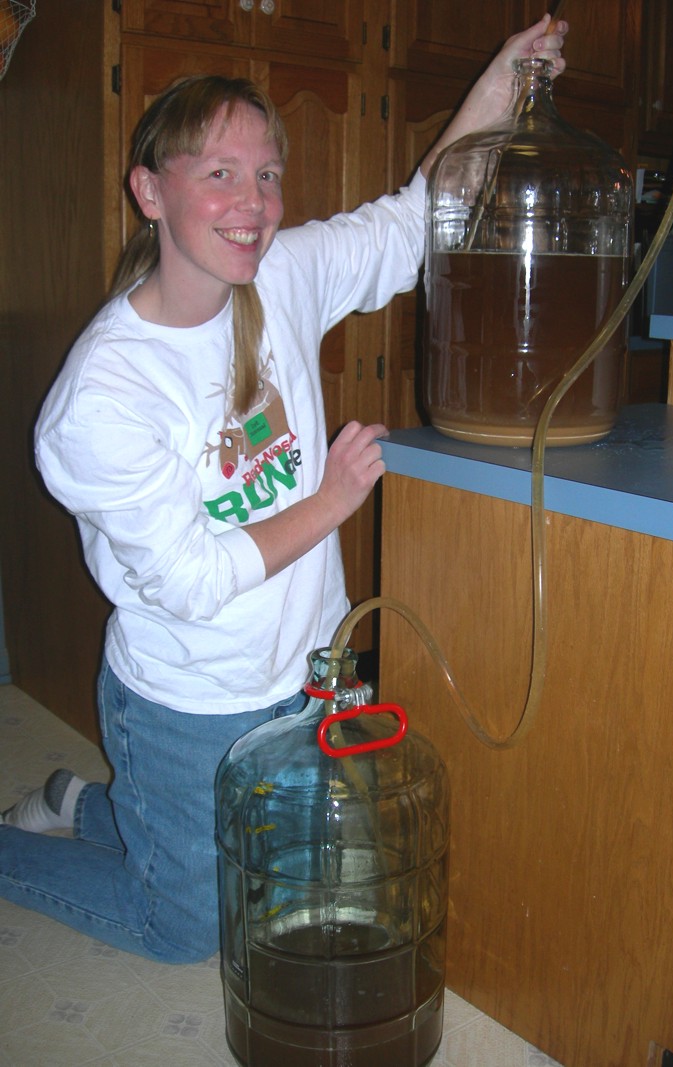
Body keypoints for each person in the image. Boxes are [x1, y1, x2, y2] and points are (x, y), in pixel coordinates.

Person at [0, 16, 567, 964]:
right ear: (149, 190)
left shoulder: (281, 277)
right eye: (217, 173)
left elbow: (410, 221)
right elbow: (188, 580)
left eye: (265, 174)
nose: (252, 202)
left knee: (277, 873)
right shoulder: (102, 398)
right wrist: (331, 499)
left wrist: (503, 83)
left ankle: (87, 803)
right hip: (187, 697)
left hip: (303, 678)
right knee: (186, 929)